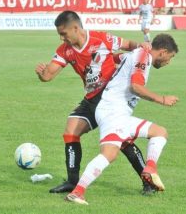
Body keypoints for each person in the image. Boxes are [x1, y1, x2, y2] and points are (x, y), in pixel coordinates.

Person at [35, 10, 154, 194]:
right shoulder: (65, 50)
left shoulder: (101, 39)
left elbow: (128, 44)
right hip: (91, 99)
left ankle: (148, 182)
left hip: (110, 98)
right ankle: (73, 182)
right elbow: (48, 75)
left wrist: (142, 46)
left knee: (123, 141)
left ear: (75, 28)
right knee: (71, 131)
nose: (61, 38)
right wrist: (42, 74)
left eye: (63, 33)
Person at [66, 34, 179, 205]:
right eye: (169, 58)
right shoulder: (143, 56)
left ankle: (150, 169)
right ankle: (78, 191)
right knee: (109, 154)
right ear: (163, 52)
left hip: (119, 112)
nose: (168, 62)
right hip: (112, 111)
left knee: (160, 132)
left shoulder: (137, 54)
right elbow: (136, 87)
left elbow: (113, 58)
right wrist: (161, 99)